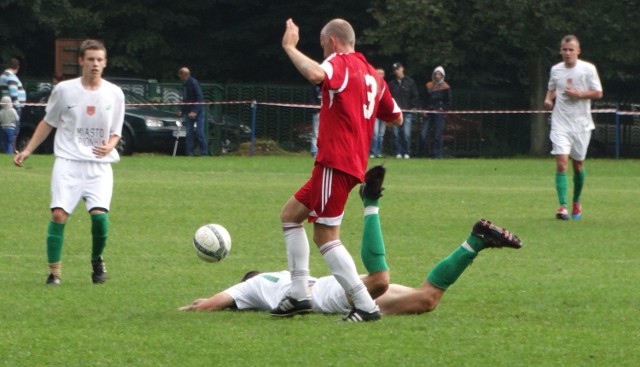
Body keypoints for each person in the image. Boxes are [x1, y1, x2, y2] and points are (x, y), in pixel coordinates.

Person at [179, 166, 523, 315]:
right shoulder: (278, 277)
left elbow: (210, 305)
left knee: (379, 281)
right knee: (426, 300)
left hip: (329, 296)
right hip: (331, 284)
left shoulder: (251, 289)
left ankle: (370, 202)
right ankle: (475, 241)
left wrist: (192, 306)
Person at [273, 18, 402, 322]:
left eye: (322, 46)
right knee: (290, 216)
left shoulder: (339, 63)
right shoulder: (373, 74)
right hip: (350, 162)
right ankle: (299, 293)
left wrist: (289, 46)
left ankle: (366, 306)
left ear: (331, 42)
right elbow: (396, 117)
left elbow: (317, 73)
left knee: (325, 236)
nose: (323, 52)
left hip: (336, 161)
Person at [13, 39, 125, 286]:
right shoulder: (64, 90)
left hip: (99, 165)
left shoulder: (115, 93)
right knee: (58, 215)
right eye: (91, 59)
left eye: (99, 60)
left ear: (105, 63)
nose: (95, 64)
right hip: (68, 162)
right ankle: (54, 273)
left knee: (99, 218)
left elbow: (116, 131)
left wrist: (110, 145)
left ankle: (97, 260)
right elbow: (48, 122)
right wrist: (28, 149)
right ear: (81, 61)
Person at [544, 35, 602, 221]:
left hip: (581, 125)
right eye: (564, 49)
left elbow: (598, 93)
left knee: (577, 165)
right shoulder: (556, 69)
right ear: (560, 51)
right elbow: (552, 87)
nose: (567, 53)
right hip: (560, 123)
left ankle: (576, 200)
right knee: (561, 162)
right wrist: (548, 98)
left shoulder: (587, 69)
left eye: (571, 50)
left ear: (578, 51)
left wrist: (579, 94)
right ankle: (563, 207)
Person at [389, 62, 419, 159]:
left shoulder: (410, 82)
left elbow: (415, 96)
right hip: (395, 112)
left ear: (402, 69)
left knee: (406, 134)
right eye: (395, 70)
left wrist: (411, 107)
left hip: (407, 112)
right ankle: (398, 152)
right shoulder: (392, 84)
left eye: (398, 69)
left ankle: (406, 152)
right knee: (396, 133)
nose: (396, 71)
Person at [421, 66, 451, 159]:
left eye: (439, 74)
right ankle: (424, 153)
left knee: (438, 134)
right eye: (436, 74)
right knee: (423, 134)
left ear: (442, 75)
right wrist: (424, 110)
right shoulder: (429, 85)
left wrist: (443, 108)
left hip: (439, 112)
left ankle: (437, 154)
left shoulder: (446, 87)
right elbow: (424, 99)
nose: (437, 76)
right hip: (429, 111)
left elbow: (449, 101)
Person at [178, 67, 208, 156]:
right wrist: (182, 110)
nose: (179, 76)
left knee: (199, 132)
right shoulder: (185, 84)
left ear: (183, 74)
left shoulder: (193, 82)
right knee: (189, 133)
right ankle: (189, 153)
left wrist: (195, 111)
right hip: (188, 111)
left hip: (197, 112)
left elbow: (200, 97)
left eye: (180, 74)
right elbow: (185, 99)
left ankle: (204, 152)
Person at [1, 58, 27, 151]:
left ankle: (9, 149)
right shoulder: (11, 77)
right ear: (17, 67)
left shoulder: (4, 75)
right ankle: (12, 149)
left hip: (7, 105)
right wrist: (17, 106)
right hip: (13, 106)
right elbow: (13, 92)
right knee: (14, 128)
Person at [369, 67, 387, 158]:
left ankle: (378, 152)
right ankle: (373, 152)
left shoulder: (386, 86)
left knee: (381, 134)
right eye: (378, 73)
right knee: (375, 134)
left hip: (383, 113)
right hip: (374, 113)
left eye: (381, 73)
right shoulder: (371, 85)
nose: (380, 75)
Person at [309, 84, 321, 157]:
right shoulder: (314, 86)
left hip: (329, 111)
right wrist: (315, 110)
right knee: (316, 132)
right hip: (317, 112)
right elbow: (312, 97)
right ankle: (314, 151)